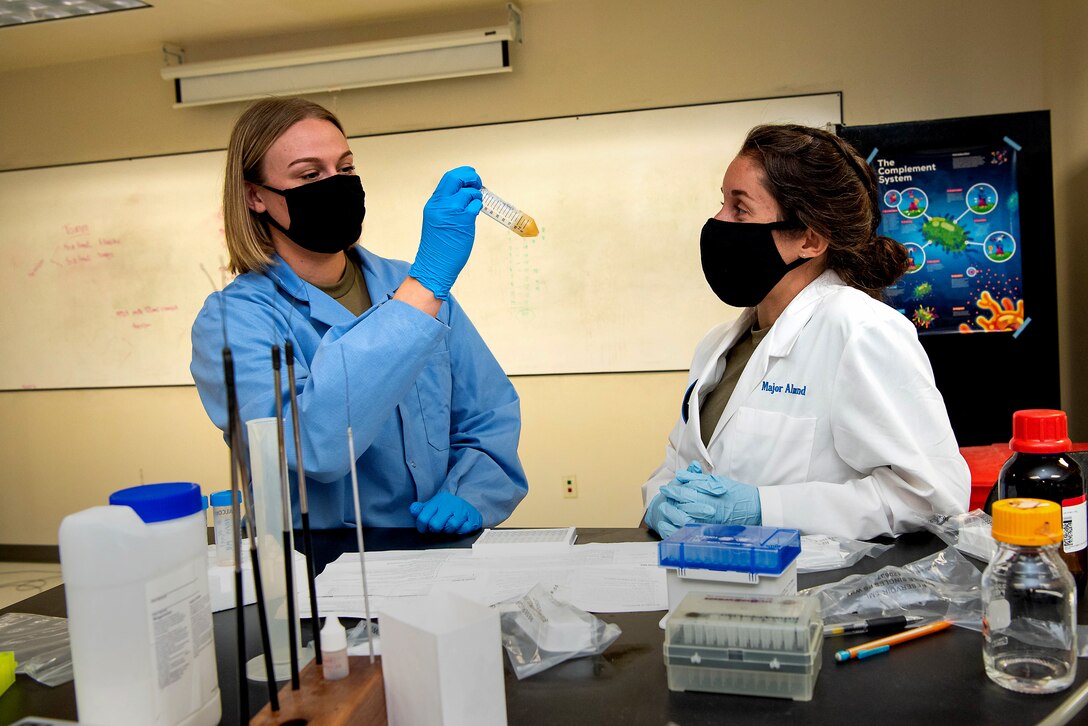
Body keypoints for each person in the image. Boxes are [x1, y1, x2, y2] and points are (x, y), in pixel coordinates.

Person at [191, 97, 527, 535]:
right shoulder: (235, 320)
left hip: (437, 553)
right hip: (317, 567)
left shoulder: (408, 283)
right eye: (310, 175)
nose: (336, 185)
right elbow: (313, 446)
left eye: (345, 169)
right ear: (256, 196)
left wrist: (471, 492)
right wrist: (424, 288)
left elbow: (488, 413)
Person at [643, 124, 969, 540]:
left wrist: (765, 508)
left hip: (812, 592)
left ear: (811, 240)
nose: (717, 222)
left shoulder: (862, 331)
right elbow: (680, 463)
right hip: (714, 589)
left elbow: (932, 497)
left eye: (740, 209)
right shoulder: (717, 346)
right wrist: (659, 499)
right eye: (721, 204)